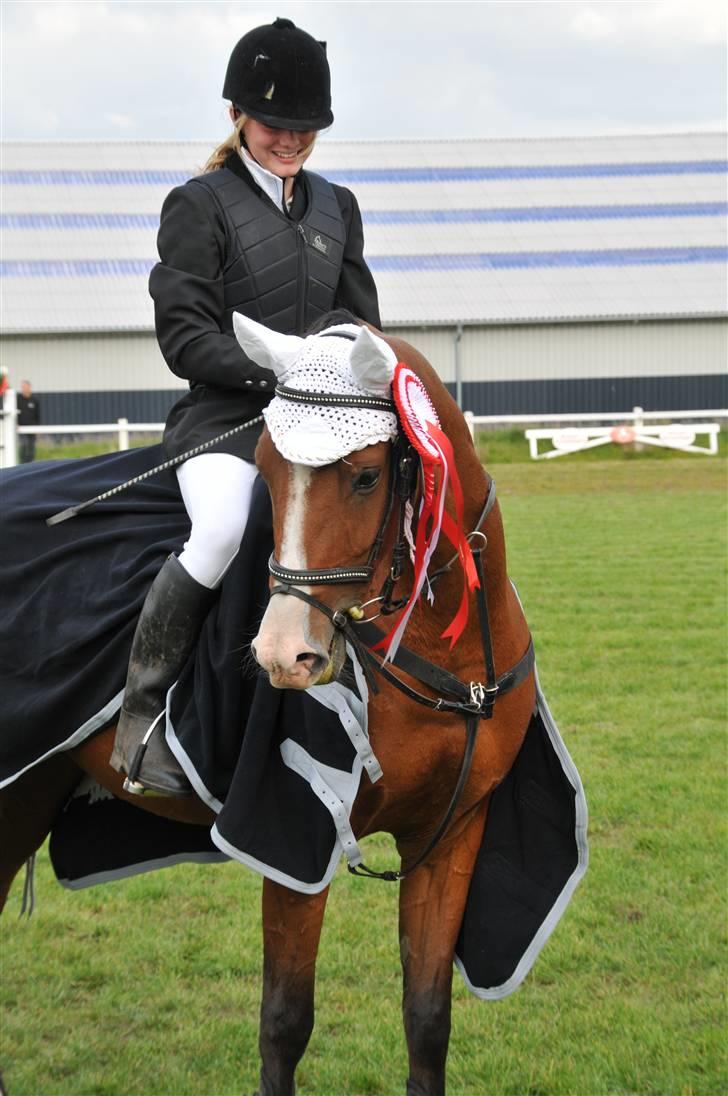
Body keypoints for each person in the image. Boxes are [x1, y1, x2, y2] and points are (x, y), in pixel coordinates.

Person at [110, 16, 381, 798]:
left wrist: (356, 369)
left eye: (304, 128)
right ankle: (142, 715)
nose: (290, 141)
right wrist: (282, 373)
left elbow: (357, 319)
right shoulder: (198, 205)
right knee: (225, 526)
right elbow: (185, 337)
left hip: (319, 424)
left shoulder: (338, 207)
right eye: (274, 125)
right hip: (224, 422)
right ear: (237, 117)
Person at [17, 380, 41, 463]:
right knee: (23, 446)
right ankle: (22, 465)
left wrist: (37, 428)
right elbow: (15, 414)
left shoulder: (35, 400)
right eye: (22, 387)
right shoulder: (18, 399)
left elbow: (37, 415)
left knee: (31, 447)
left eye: (25, 387)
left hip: (32, 428)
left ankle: (31, 464)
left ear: (29, 388)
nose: (23, 389)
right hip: (21, 429)